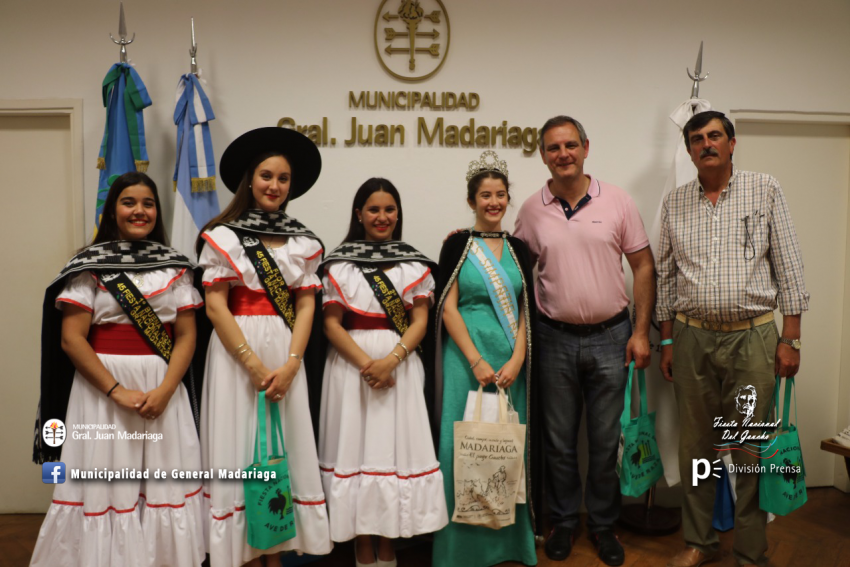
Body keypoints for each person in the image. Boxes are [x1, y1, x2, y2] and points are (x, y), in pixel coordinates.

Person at [657, 110, 809, 567]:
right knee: (696, 448)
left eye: (715, 136)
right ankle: (699, 542)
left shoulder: (765, 189)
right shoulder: (675, 202)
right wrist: (666, 340)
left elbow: (789, 262)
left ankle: (749, 550)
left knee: (747, 449)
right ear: (688, 150)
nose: (707, 144)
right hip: (691, 338)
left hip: (753, 338)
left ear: (732, 143)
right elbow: (665, 275)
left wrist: (791, 337)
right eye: (697, 138)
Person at [31, 172, 206, 567]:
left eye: (148, 203)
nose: (139, 211)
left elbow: (186, 338)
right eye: (129, 202)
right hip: (101, 395)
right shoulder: (87, 266)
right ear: (112, 209)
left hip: (164, 392)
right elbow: (72, 339)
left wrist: (164, 391)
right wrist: (117, 391)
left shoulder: (176, 268)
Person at [514, 115, 655, 566]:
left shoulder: (617, 201)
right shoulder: (531, 211)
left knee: (603, 441)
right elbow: (512, 269)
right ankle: (563, 524)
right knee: (557, 442)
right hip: (553, 339)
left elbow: (643, 268)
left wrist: (639, 333)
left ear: (586, 147)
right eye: (553, 148)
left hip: (612, 337)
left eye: (570, 145)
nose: (563, 154)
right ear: (543, 156)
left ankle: (603, 526)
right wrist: (465, 245)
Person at [197, 127, 332, 566]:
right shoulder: (224, 237)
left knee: (284, 448)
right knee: (239, 448)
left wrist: (292, 364)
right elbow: (216, 306)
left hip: (285, 353)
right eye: (266, 176)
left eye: (283, 178)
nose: (274, 185)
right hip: (237, 355)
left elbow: (307, 306)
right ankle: (244, 553)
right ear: (249, 180)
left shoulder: (302, 241)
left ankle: (275, 550)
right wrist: (254, 366)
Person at [318, 178, 448, 567]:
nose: (382, 217)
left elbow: (420, 320)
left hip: (400, 367)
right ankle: (361, 543)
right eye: (373, 209)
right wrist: (368, 365)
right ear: (359, 214)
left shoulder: (413, 263)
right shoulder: (340, 264)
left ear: (398, 214)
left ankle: (389, 543)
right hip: (350, 369)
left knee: (393, 453)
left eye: (389, 209)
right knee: (355, 451)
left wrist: (390, 361)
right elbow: (331, 324)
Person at [431, 150, 538, 567]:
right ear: (472, 200)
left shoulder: (519, 249)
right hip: (465, 361)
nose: (493, 202)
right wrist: (475, 360)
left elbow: (527, 311)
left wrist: (516, 361)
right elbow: (449, 307)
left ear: (508, 199)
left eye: (500, 195)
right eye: (485, 195)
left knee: (509, 448)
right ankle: (460, 549)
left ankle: (510, 545)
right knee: (462, 448)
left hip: (511, 365)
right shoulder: (456, 245)